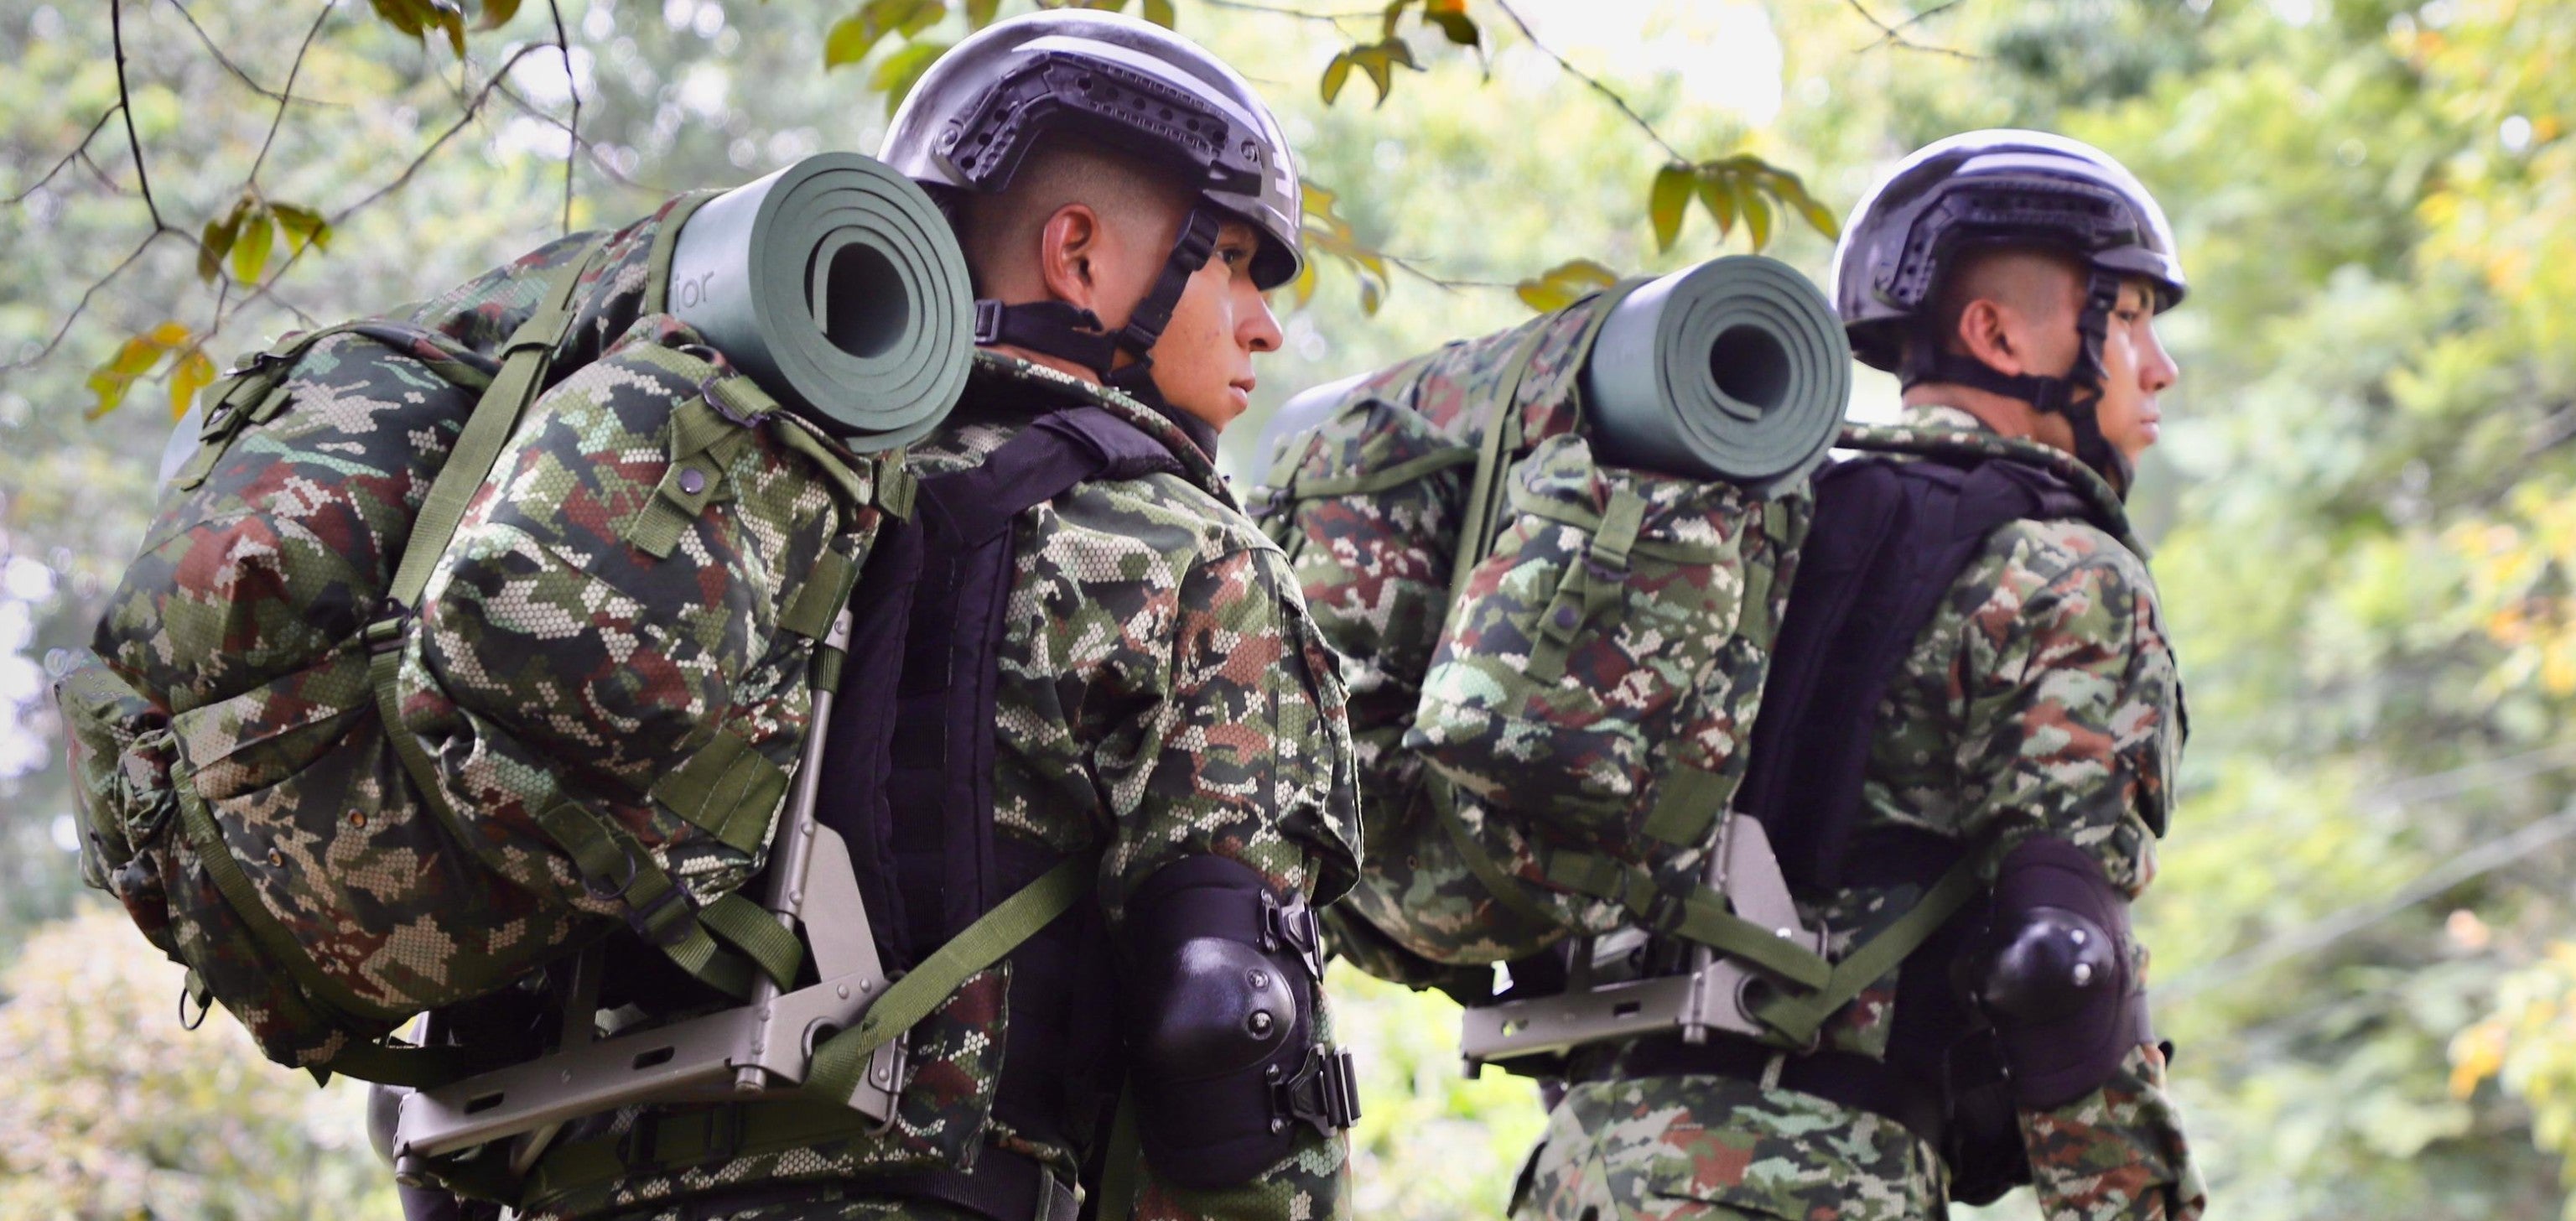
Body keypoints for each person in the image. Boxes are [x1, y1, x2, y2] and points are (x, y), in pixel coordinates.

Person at [503, 13, 1362, 1221]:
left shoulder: (721, 502)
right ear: (1078, 252)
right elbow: (1231, 1048)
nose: (1264, 323)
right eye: (1233, 263)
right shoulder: (1177, 554)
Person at [1499, 130, 2205, 1219]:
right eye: (2128, 319)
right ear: (1998, 332)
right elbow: (2062, 963)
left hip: (1583, 1166)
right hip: (1812, 1181)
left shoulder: (1748, 528)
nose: (2159, 366)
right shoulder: (2064, 568)